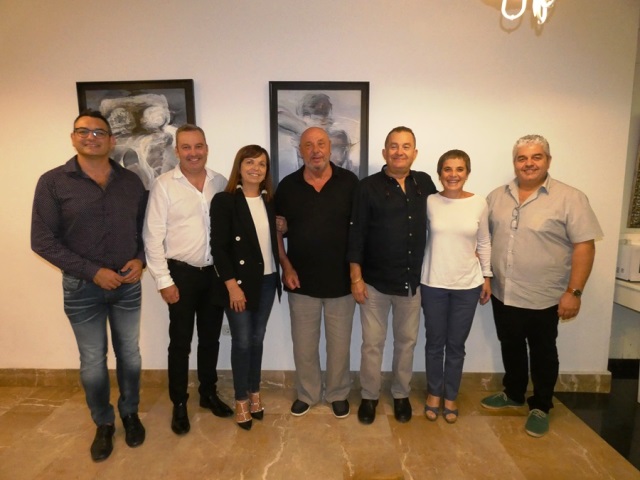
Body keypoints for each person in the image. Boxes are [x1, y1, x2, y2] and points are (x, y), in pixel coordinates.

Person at [31, 110, 147, 462]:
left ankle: (130, 413)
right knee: (93, 360)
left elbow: (145, 229)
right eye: (83, 131)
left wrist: (140, 259)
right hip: (82, 289)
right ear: (73, 138)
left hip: (127, 284)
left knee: (130, 354)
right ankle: (104, 422)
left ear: (112, 140)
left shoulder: (131, 182)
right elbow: (42, 241)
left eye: (99, 132)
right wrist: (93, 271)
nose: (91, 137)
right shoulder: (53, 182)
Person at [480, 134, 602, 438]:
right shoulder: (496, 197)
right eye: (522, 158)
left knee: (543, 351)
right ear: (515, 162)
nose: (529, 163)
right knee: (510, 345)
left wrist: (574, 292)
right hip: (504, 292)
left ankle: (542, 405)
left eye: (536, 157)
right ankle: (513, 393)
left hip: (545, 296)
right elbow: (484, 240)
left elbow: (584, 247)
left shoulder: (570, 198)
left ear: (548, 160)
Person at [143, 124, 233, 436]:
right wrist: (163, 280)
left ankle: (208, 393)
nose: (193, 153)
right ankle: (179, 403)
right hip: (180, 275)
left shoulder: (220, 182)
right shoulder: (164, 185)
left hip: (214, 275)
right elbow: (152, 237)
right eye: (186, 147)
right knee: (180, 343)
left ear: (206, 148)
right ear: (177, 150)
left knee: (210, 339)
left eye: (198, 146)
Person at [348, 126, 437, 425]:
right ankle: (369, 396)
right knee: (372, 344)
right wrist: (356, 278)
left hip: (411, 281)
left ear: (415, 152)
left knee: (406, 342)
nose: (400, 152)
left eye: (406, 146)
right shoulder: (367, 187)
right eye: (394, 146)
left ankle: (401, 394)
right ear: (385, 152)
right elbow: (356, 233)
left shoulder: (424, 183)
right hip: (374, 282)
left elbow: (443, 220)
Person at [275, 126, 359, 418]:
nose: (315, 151)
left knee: (339, 346)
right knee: (304, 346)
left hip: (341, 282)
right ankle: (307, 394)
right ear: (300, 151)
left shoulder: (349, 183)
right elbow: (277, 230)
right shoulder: (288, 186)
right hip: (301, 281)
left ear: (330, 148)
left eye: (321, 144)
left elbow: (359, 231)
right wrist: (286, 266)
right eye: (308, 145)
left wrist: (356, 275)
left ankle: (337, 393)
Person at [210, 145, 281, 430]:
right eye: (249, 162)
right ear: (239, 167)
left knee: (256, 339)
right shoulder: (225, 201)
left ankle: (254, 393)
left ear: (266, 171)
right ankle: (240, 398)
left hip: (267, 280)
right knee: (241, 341)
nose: (256, 168)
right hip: (239, 283)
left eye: (261, 164)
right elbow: (219, 248)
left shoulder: (270, 201)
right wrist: (231, 286)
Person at [420, 150, 492, 424]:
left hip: (467, 285)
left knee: (456, 345)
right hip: (433, 282)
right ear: (439, 174)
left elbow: (483, 242)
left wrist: (487, 276)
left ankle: (450, 395)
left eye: (459, 169)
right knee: (434, 343)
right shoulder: (429, 201)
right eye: (447, 169)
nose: (453, 174)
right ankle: (433, 393)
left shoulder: (479, 203)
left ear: (467, 173)